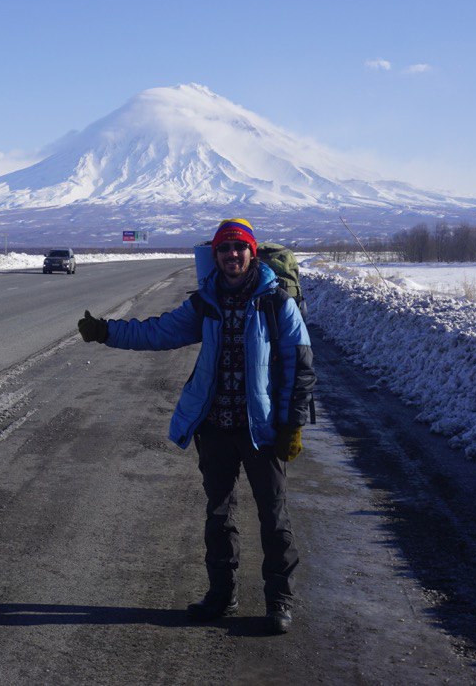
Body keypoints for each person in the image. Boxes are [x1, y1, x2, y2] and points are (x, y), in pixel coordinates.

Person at [77, 218, 315, 634]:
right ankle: (222, 595)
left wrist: (291, 426)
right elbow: (158, 332)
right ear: (216, 256)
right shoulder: (207, 301)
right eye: (224, 249)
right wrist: (106, 332)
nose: (232, 256)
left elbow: (300, 369)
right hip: (216, 427)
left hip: (261, 432)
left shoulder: (277, 303)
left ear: (252, 252)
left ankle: (279, 601)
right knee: (218, 515)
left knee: (273, 516)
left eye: (239, 248)